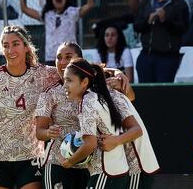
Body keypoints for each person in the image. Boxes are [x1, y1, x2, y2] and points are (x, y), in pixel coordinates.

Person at [0, 25, 60, 189]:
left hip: (31, 156)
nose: (10, 50)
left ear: (26, 46)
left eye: (15, 44)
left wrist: (116, 74)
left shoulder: (43, 73)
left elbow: (76, 71)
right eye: (6, 45)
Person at [35, 41, 133, 189]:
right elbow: (39, 132)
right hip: (59, 162)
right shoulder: (49, 93)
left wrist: (119, 77)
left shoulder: (95, 86)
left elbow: (130, 97)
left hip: (90, 163)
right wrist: (48, 132)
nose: (62, 62)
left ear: (79, 60)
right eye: (58, 57)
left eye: (68, 57)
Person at [62, 58, 143, 188]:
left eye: (69, 80)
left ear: (84, 82)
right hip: (119, 173)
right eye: (64, 80)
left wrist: (69, 162)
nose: (64, 85)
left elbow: (90, 144)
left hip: (105, 173)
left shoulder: (87, 101)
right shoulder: (100, 96)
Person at [19, 0, 94, 65]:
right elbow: (24, 9)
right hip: (51, 58)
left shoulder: (72, 12)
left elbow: (90, 5)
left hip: (70, 57)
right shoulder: (46, 15)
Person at [134, 0, 189, 82]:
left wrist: (165, 20)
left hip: (167, 57)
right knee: (145, 92)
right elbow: (137, 26)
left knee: (163, 93)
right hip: (146, 55)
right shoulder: (146, 2)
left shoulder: (179, 4)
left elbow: (183, 28)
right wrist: (147, 21)